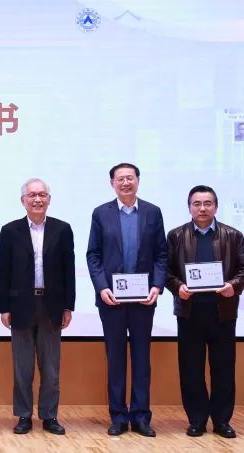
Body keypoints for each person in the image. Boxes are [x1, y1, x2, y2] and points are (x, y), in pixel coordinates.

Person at [86, 163, 167, 437]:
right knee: (116, 359)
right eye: (120, 179)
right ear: (112, 183)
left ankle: (141, 417)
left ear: (138, 181)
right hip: (112, 300)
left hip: (144, 300)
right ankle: (118, 416)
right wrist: (101, 288)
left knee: (142, 359)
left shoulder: (153, 212)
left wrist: (157, 286)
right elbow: (93, 255)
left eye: (129, 178)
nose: (125, 183)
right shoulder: (101, 213)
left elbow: (161, 254)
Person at [166, 185, 244, 438]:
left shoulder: (232, 235)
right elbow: (166, 271)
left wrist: (233, 286)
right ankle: (197, 420)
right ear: (189, 207)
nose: (202, 208)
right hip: (189, 312)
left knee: (223, 369)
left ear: (215, 206)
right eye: (197, 204)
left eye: (207, 203)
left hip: (222, 312)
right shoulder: (176, 236)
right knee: (191, 369)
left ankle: (222, 421)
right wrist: (178, 287)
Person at [0, 178, 75, 436]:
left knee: (51, 368)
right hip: (21, 305)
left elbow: (69, 270)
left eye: (42, 195)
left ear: (49, 200)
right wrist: (4, 307)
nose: (37, 199)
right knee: (23, 367)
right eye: (32, 195)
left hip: (52, 305)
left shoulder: (62, 230)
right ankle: (23, 415)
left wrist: (68, 306)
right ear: (23, 200)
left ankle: (49, 415)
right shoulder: (10, 231)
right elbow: (2, 271)